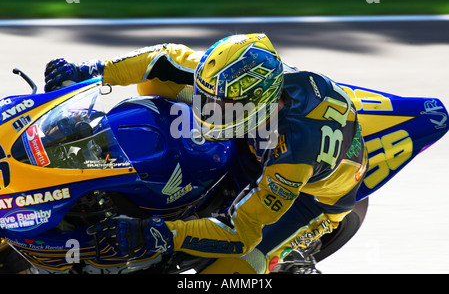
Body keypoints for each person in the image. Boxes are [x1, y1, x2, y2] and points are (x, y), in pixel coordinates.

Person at [44, 33, 368, 274]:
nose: (204, 110)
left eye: (219, 106)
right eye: (204, 96)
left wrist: (159, 234)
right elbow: (162, 58)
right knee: (161, 80)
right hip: (265, 133)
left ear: (260, 104)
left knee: (234, 269)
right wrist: (90, 70)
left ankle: (287, 263)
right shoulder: (232, 77)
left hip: (313, 197)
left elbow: (241, 232)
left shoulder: (294, 152)